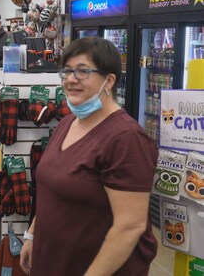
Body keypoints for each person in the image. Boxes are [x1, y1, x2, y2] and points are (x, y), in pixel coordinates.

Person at [19, 37, 158, 275]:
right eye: (67, 71)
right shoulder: (67, 124)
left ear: (109, 80)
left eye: (83, 71)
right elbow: (52, 190)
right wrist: (33, 234)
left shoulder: (126, 139)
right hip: (54, 260)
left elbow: (129, 227)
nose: (71, 79)